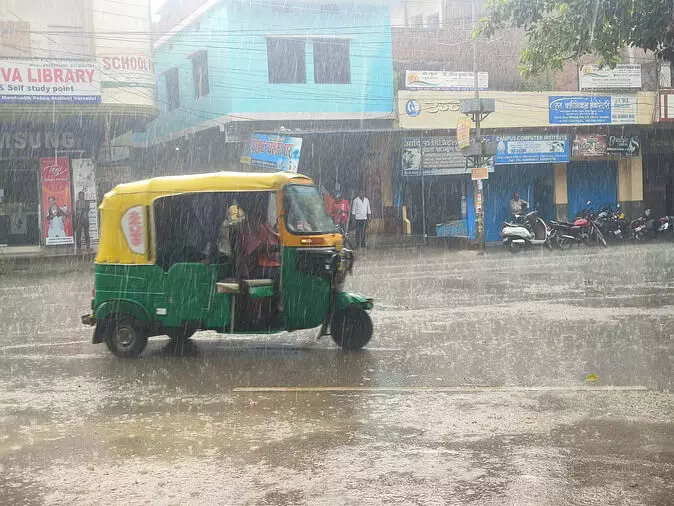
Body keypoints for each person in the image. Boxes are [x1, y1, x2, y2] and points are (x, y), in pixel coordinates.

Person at [235, 206, 280, 279]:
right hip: (253, 269)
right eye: (257, 217)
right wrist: (278, 247)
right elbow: (257, 249)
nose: (260, 220)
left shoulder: (264, 227)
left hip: (271, 264)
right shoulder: (246, 231)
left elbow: (277, 237)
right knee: (282, 274)